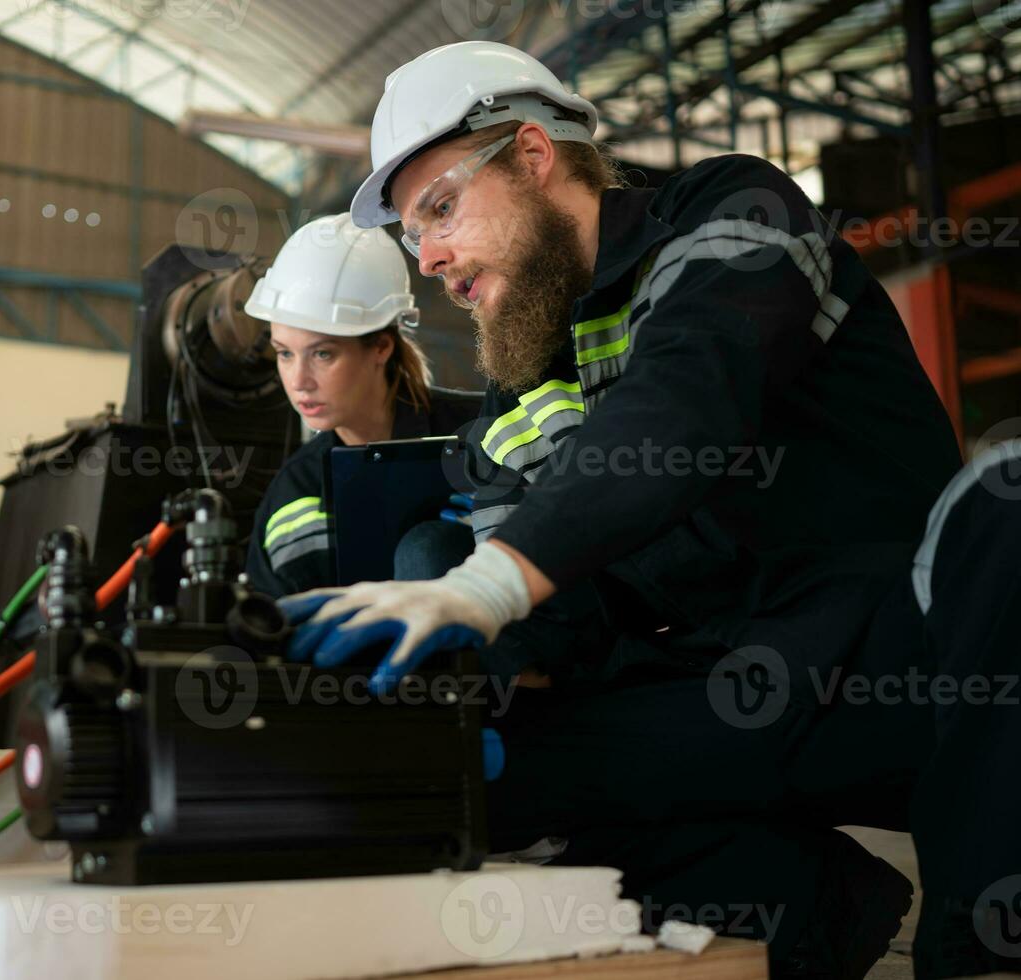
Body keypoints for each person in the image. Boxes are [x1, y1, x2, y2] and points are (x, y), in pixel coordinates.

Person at [282, 40, 1020, 980]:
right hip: (730, 691)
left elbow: (689, 398)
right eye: (409, 235)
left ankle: (982, 944)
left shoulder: (731, 215)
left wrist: (491, 585)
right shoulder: (528, 379)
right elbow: (556, 593)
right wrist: (441, 696)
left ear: (533, 158)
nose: (428, 258)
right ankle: (805, 916)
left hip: (898, 665)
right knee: (481, 783)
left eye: (440, 209)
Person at [241, 213, 482, 598]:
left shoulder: (481, 434)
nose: (298, 380)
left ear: (381, 347)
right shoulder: (293, 493)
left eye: (322, 354)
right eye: (285, 354)